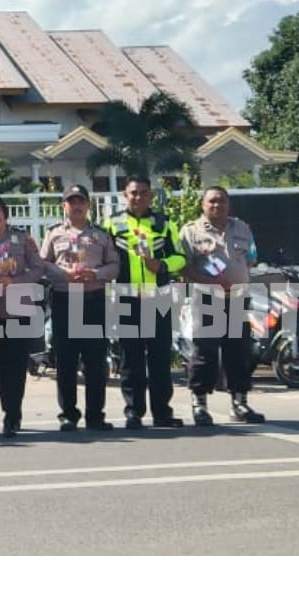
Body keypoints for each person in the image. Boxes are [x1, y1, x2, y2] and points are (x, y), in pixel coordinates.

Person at [179, 186, 265, 426]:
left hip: (237, 299)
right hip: (207, 299)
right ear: (202, 205)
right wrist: (211, 281)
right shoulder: (190, 232)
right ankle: (200, 404)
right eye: (212, 202)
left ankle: (240, 402)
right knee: (204, 354)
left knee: (239, 353)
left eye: (222, 201)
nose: (217, 206)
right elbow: (182, 267)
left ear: (229, 204)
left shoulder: (242, 228)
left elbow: (250, 259)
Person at [0, 194, 62, 437]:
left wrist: (15, 280)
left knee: (17, 364)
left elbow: (38, 268)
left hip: (20, 306)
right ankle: (9, 409)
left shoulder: (21, 238)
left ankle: (12, 415)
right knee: (0, 364)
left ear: (4, 212)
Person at [107, 177, 186, 429]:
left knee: (160, 357)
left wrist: (161, 265)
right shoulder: (111, 223)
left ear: (151, 196)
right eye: (133, 193)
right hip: (126, 298)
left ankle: (162, 411)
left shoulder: (164, 223)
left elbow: (180, 258)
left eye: (143, 193)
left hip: (158, 298)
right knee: (131, 359)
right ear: (124, 195)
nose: (138, 197)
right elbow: (101, 256)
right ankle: (134, 411)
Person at [41, 185, 120, 433]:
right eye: (71, 201)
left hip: (93, 300)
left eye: (81, 201)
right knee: (66, 361)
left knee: (95, 361)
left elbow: (114, 265)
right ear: (64, 205)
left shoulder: (100, 234)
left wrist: (94, 273)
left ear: (88, 205)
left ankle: (95, 415)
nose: (76, 206)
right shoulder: (53, 233)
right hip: (66, 300)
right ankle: (68, 415)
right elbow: (43, 263)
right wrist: (63, 274)